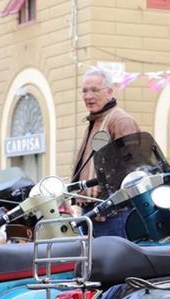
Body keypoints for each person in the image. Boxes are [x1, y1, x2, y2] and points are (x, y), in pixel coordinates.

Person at [70, 67, 140, 237]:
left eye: (95, 90)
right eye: (85, 91)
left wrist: (107, 207)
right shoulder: (96, 120)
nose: (88, 96)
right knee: (92, 263)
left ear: (109, 92)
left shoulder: (120, 120)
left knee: (109, 262)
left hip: (111, 214)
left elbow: (132, 169)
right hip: (93, 210)